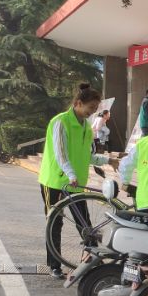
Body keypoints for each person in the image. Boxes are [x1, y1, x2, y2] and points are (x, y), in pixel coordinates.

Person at [39, 83, 118, 279]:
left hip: (76, 183)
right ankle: (54, 265)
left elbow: (87, 156)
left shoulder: (86, 127)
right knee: (54, 222)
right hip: (54, 181)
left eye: (95, 109)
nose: (92, 112)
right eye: (90, 107)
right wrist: (71, 174)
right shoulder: (60, 122)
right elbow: (61, 153)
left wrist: (108, 160)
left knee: (85, 224)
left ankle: (92, 261)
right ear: (78, 103)